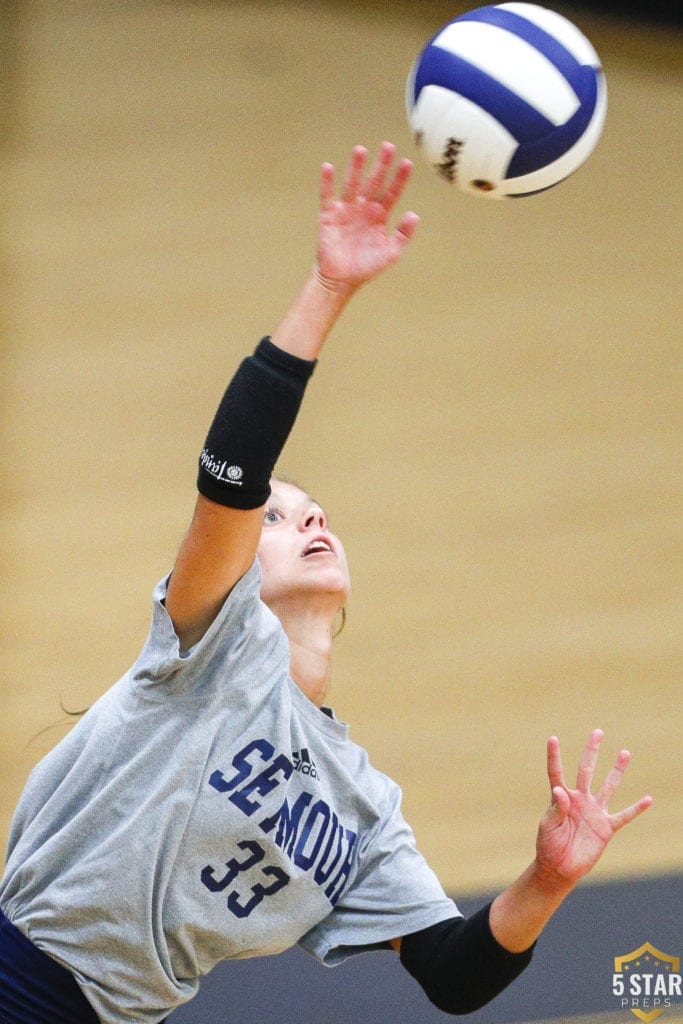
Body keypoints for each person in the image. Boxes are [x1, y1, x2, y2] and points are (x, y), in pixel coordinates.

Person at [0, 142, 652, 1024]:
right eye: (277, 517)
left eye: (315, 511)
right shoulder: (208, 646)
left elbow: (454, 976)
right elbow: (230, 473)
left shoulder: (362, 809)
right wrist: (329, 291)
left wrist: (547, 878)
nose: (306, 519)